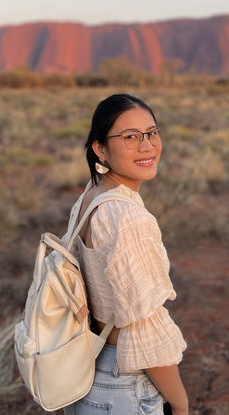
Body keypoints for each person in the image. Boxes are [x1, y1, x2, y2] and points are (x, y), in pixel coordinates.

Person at [63, 94, 188, 415]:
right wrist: (181, 403)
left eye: (152, 132)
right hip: (124, 386)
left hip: (88, 372)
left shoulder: (92, 197)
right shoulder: (126, 217)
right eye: (130, 137)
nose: (147, 146)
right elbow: (142, 328)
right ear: (100, 148)